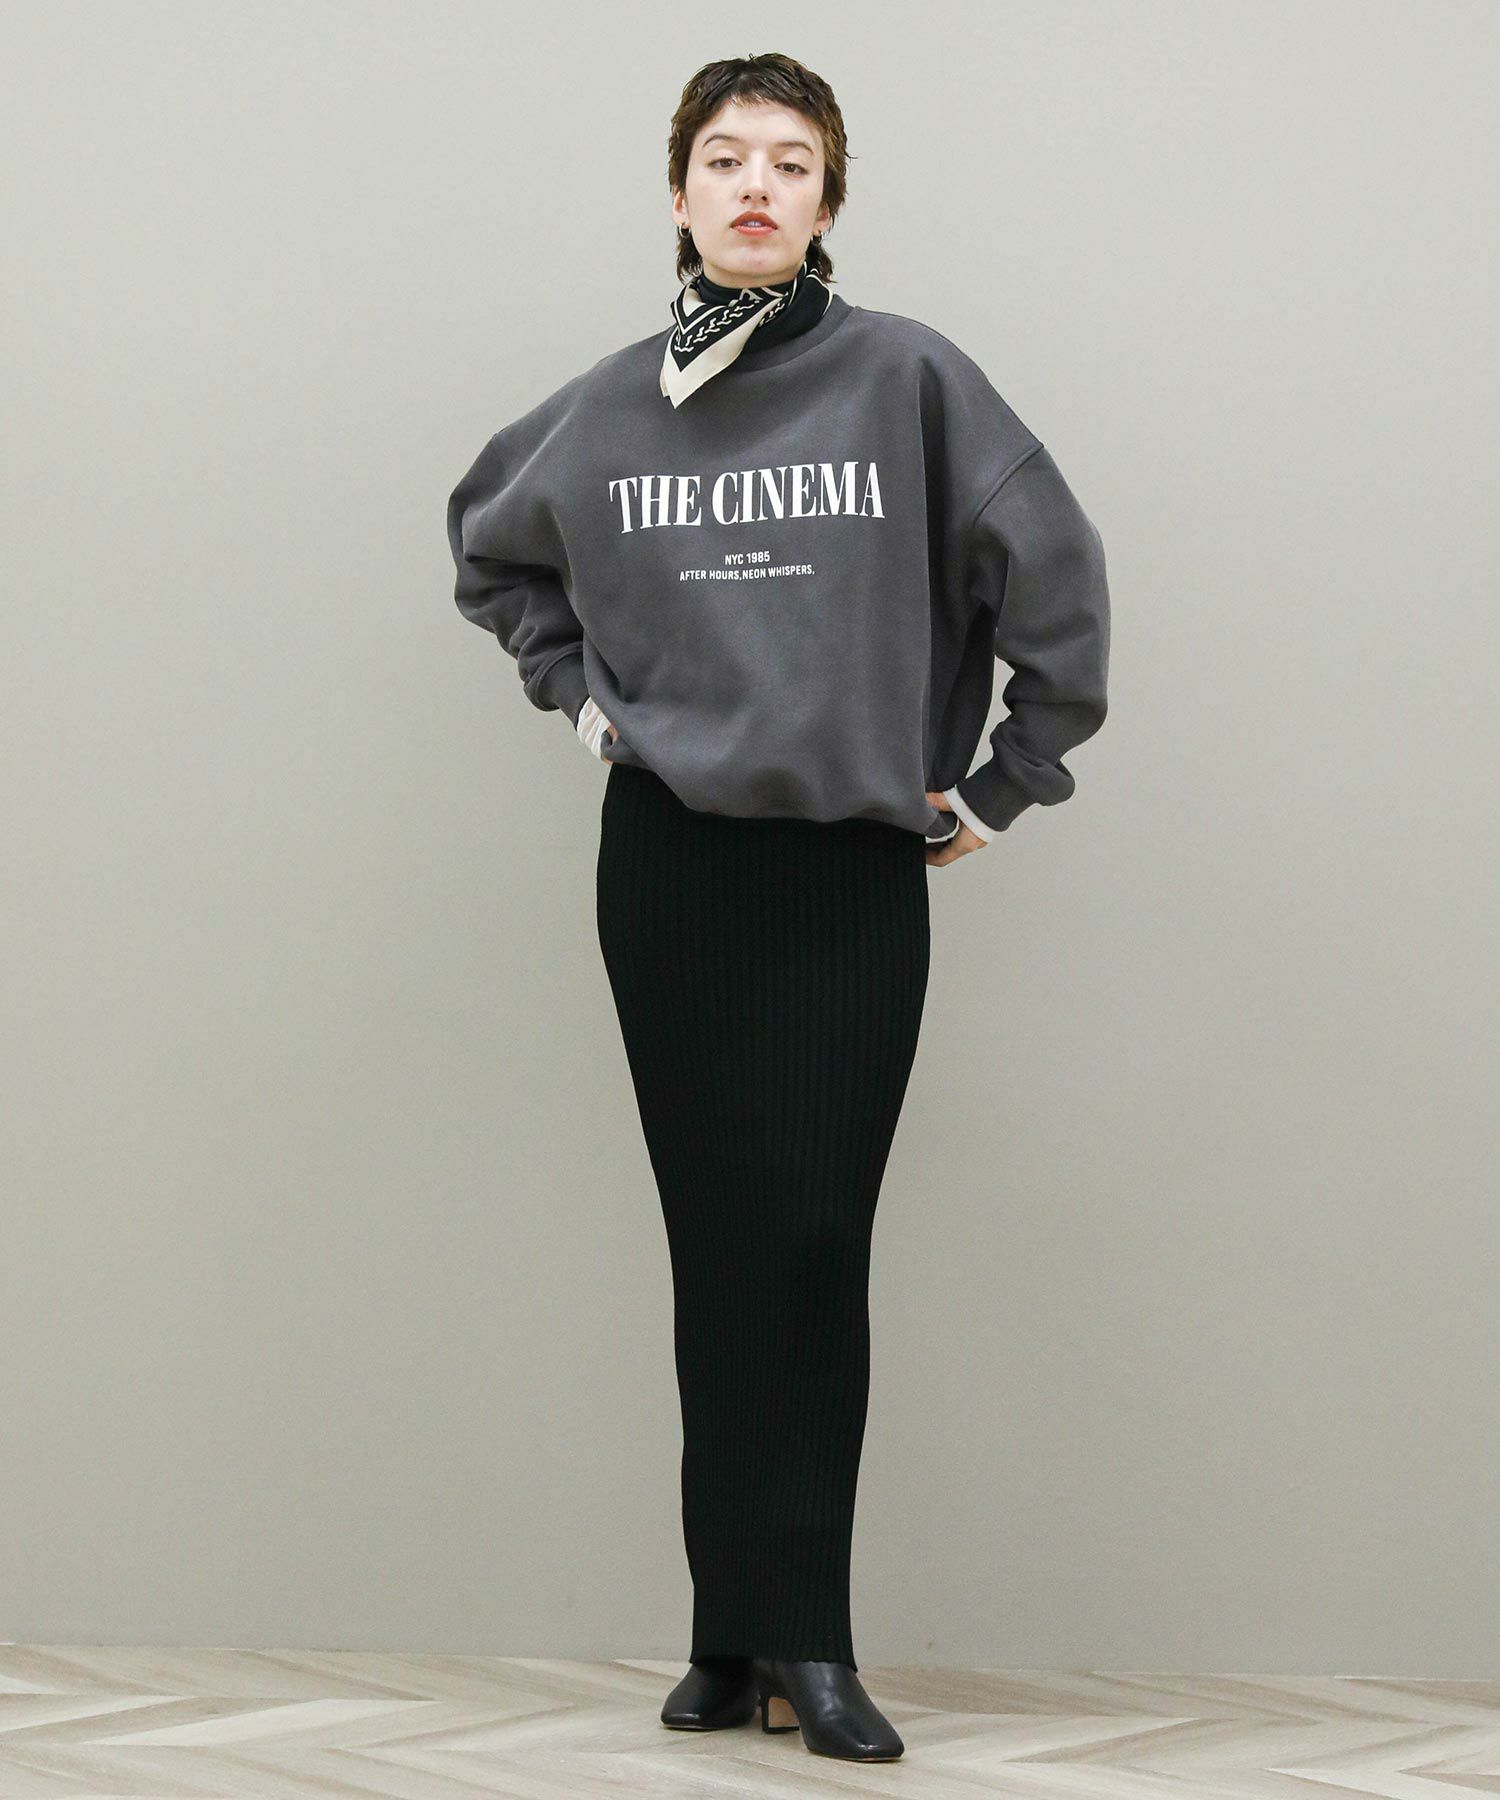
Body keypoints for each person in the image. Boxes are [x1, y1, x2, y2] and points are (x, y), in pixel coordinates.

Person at [446, 52, 1111, 1766]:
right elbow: (489, 547)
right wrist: (582, 702)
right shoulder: (612, 408)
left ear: (829, 198)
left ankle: (809, 1635)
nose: (756, 186)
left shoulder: (908, 380)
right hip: (670, 868)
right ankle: (729, 1633)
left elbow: (1056, 581)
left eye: (791, 162)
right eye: (726, 158)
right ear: (677, 193)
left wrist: (1004, 780)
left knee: (812, 1241)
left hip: (842, 871)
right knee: (717, 1241)